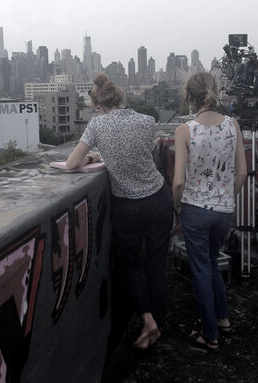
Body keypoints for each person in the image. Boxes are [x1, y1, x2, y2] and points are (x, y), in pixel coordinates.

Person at [66, 72, 173, 350]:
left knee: (133, 265)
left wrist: (93, 156)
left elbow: (71, 163)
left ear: (98, 105)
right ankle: (157, 325)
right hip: (158, 199)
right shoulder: (147, 121)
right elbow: (141, 154)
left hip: (127, 205)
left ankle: (147, 318)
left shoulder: (97, 125)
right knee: (157, 264)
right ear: (120, 98)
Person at [172, 72, 248, 353]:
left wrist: (177, 205)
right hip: (223, 210)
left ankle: (210, 334)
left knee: (201, 269)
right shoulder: (233, 125)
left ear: (190, 97)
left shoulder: (184, 131)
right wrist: (227, 198)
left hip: (195, 209)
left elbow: (178, 180)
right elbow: (242, 172)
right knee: (213, 261)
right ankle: (223, 319)